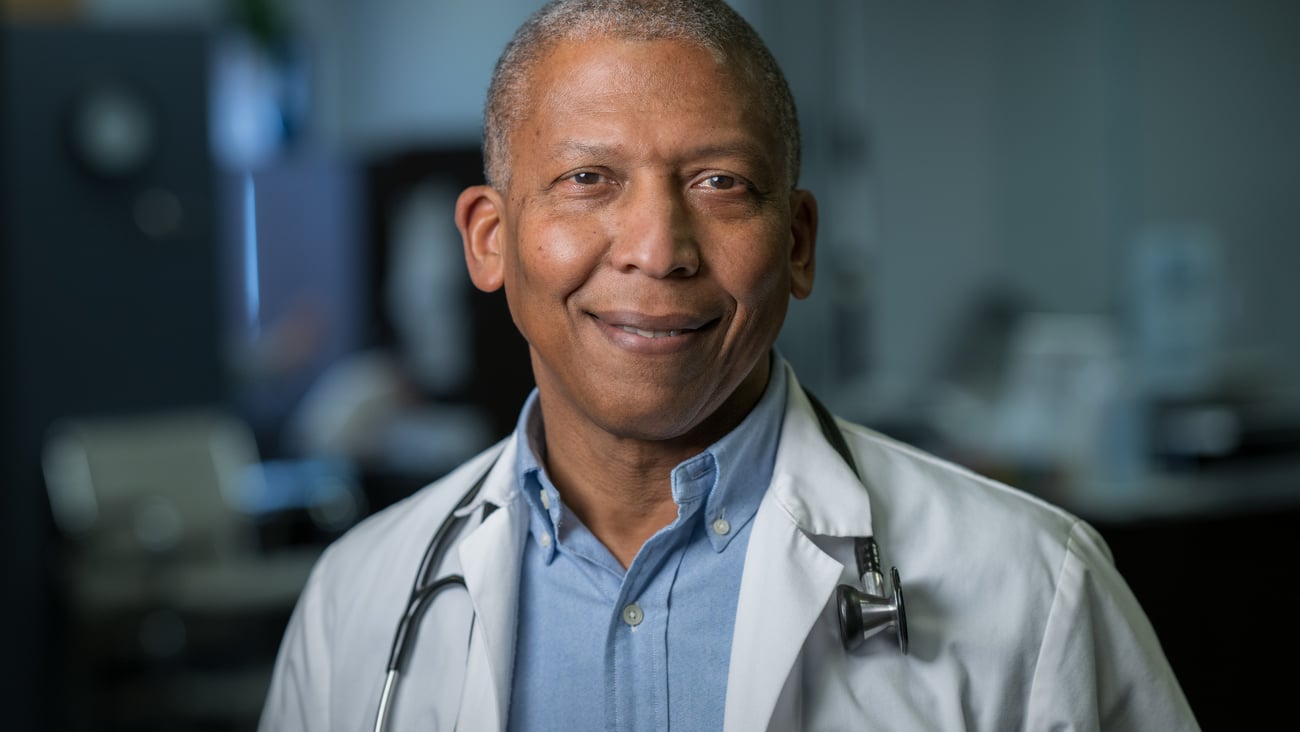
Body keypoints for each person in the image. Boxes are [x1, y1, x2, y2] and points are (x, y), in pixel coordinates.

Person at [260, 1, 1198, 729]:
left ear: (796, 244)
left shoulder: (1034, 588)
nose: (658, 248)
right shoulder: (360, 598)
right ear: (491, 240)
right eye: (589, 180)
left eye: (721, 183)